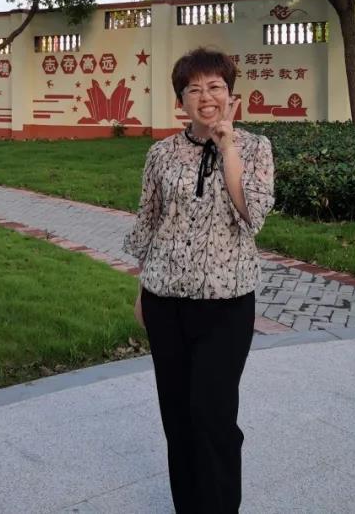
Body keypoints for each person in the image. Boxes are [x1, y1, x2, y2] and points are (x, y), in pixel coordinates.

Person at [124, 47, 275, 514]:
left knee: (213, 417)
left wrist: (227, 146)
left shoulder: (255, 148)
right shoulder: (161, 154)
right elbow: (149, 223)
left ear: (231, 95)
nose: (206, 97)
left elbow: (252, 214)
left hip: (226, 304)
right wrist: (141, 289)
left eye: (215, 87)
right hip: (165, 301)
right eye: (194, 89)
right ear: (181, 101)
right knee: (178, 418)